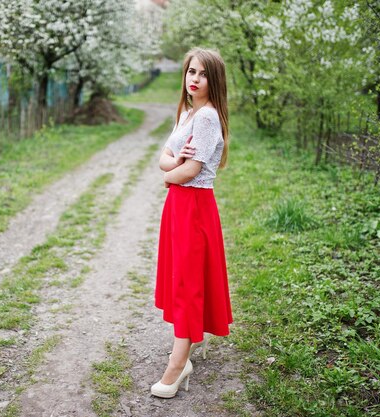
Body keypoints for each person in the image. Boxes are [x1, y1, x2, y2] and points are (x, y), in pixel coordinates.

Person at [151, 47, 233, 399]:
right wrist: (171, 171)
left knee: (187, 283)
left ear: (213, 81)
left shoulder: (207, 118)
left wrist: (170, 176)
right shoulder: (187, 112)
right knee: (180, 278)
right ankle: (181, 352)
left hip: (194, 205)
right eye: (190, 72)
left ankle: (178, 362)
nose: (194, 79)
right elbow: (164, 157)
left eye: (202, 74)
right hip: (179, 204)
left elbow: (191, 170)